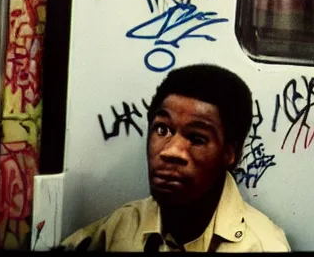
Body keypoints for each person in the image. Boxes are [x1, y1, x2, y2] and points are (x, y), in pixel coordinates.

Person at [59, 64, 291, 252]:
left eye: (197, 139)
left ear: (230, 153)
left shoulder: (261, 246)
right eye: (162, 130)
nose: (170, 151)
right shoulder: (121, 227)